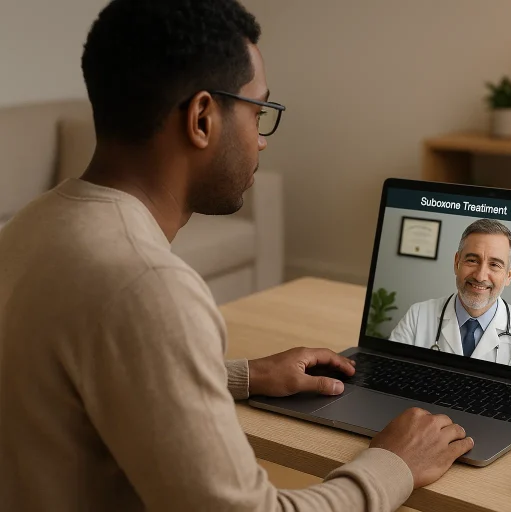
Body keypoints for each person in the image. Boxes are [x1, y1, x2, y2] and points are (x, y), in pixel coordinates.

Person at [0, 1, 473, 510]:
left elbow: (73, 379)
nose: (262, 142)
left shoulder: (31, 225)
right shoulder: (147, 284)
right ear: (202, 118)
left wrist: (240, 375)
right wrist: (393, 463)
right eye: (258, 112)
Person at [389, 219, 511, 374]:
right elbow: (391, 373)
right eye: (472, 260)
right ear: (457, 263)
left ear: (509, 275)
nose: (480, 276)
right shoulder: (417, 315)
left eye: (494, 264)